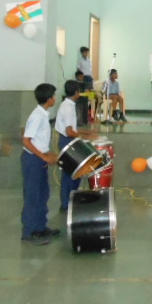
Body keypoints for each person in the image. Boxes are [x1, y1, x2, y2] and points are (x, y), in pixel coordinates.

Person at [21, 83, 59, 245]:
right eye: (54, 96)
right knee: (33, 196)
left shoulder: (43, 114)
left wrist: (47, 154)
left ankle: (40, 227)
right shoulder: (37, 116)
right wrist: (43, 157)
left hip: (39, 159)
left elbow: (39, 141)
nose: (55, 98)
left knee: (43, 194)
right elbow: (26, 141)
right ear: (49, 99)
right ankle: (29, 232)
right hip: (32, 160)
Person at [55, 80, 96, 213]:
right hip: (67, 141)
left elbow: (72, 128)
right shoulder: (68, 108)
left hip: (69, 140)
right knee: (70, 175)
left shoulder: (68, 104)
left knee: (74, 174)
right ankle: (66, 204)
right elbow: (69, 132)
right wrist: (85, 137)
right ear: (77, 92)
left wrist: (86, 133)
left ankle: (70, 202)